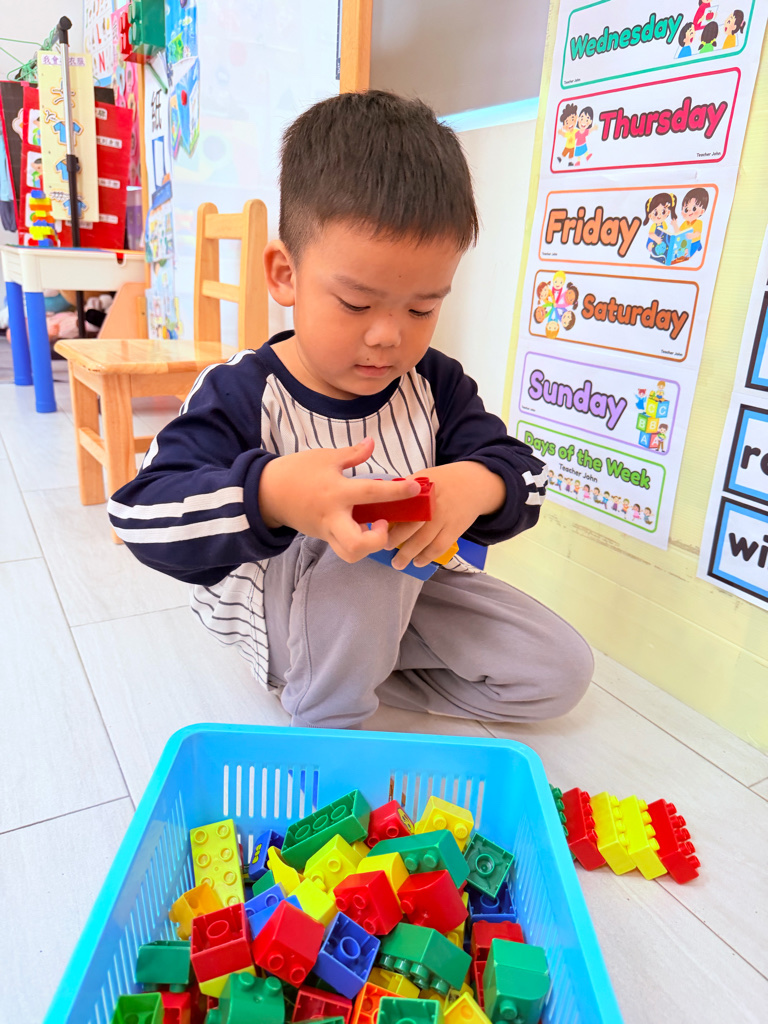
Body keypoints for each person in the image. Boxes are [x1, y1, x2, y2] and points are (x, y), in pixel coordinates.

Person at [108, 91, 593, 729]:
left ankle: (358, 666)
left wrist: (475, 485)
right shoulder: (244, 392)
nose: (389, 336)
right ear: (285, 274)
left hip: (399, 591)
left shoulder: (435, 384)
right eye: (357, 304)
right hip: (282, 616)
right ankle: (329, 724)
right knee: (376, 546)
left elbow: (526, 471)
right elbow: (138, 514)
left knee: (557, 669)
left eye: (422, 308)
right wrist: (271, 497)